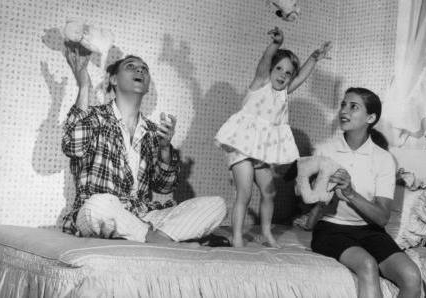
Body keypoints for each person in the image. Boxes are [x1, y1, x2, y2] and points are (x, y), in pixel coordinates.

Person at [60, 41, 227, 245]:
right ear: (113, 79)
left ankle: (155, 238)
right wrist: (84, 85)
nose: (139, 70)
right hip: (103, 212)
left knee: (216, 205)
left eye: (144, 69)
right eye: (130, 66)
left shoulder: (152, 131)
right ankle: (162, 240)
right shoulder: (95, 116)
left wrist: (165, 148)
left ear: (147, 86)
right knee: (97, 205)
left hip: (143, 216)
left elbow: (164, 187)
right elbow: (73, 147)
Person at [214, 27, 332, 248]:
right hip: (241, 147)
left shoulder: (283, 94)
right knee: (245, 192)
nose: (283, 75)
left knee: (270, 192)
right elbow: (265, 60)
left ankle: (267, 233)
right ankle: (237, 237)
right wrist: (275, 44)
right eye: (278, 69)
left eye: (288, 73)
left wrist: (315, 57)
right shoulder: (261, 83)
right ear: (270, 69)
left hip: (261, 151)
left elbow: (303, 76)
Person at [310, 87, 422, 298]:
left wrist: (350, 193)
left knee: (412, 277)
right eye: (343, 105)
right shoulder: (324, 150)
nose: (344, 111)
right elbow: (313, 201)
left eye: (353, 107)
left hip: (370, 231)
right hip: (331, 230)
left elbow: (381, 218)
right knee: (367, 265)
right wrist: (320, 191)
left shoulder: (383, 159)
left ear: (370, 117)